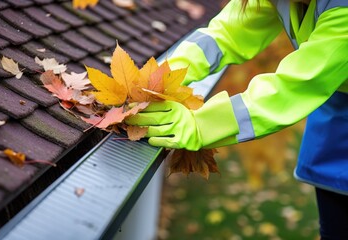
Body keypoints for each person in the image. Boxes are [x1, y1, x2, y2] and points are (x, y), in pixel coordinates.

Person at [127, 0, 348, 238]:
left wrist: (201, 125)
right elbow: (224, 35)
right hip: (335, 118)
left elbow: (291, 89)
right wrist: (162, 77)